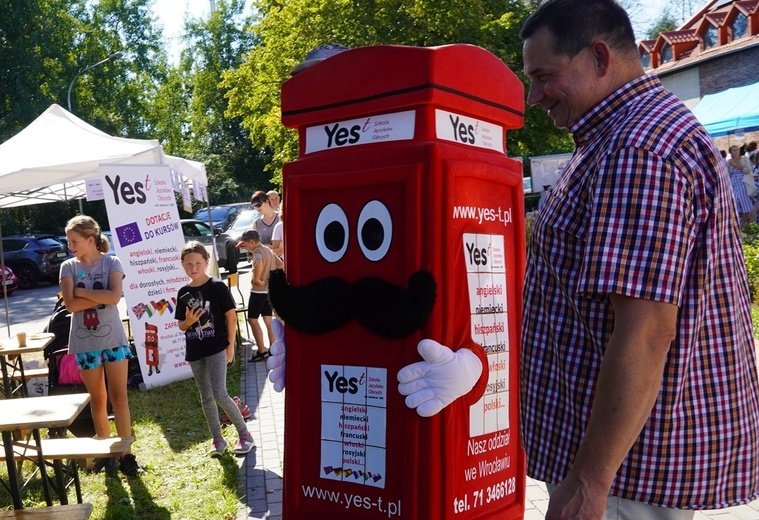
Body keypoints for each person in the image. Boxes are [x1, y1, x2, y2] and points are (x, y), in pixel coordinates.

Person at [520, 1, 759, 519]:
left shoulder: (636, 147)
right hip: (628, 460)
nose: (534, 96)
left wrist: (589, 481)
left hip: (626, 472)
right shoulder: (623, 133)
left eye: (543, 76)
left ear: (599, 57)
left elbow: (646, 331)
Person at [61, 215, 144, 477]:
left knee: (119, 397)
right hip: (84, 343)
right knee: (98, 399)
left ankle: (126, 455)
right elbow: (70, 306)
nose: (70, 245)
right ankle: (107, 454)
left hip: (114, 341)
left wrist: (81, 292)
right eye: (68, 241)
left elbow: (114, 297)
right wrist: (97, 297)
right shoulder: (68, 267)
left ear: (90, 240)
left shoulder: (112, 262)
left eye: (74, 241)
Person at [175, 241, 255, 457]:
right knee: (206, 397)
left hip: (217, 347)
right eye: (188, 264)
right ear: (182, 265)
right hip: (195, 351)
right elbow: (181, 325)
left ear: (206, 262)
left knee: (220, 393)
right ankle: (217, 439)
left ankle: (245, 434)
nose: (193, 268)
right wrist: (189, 321)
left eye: (198, 263)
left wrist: (230, 347)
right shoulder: (183, 292)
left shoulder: (217, 287)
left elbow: (231, 318)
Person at [235, 230, 283, 362]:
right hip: (267, 291)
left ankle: (261, 350)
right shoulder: (268, 250)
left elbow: (258, 263)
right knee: (268, 320)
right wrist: (271, 279)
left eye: (245, 245)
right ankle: (273, 348)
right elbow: (282, 265)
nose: (244, 248)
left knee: (252, 320)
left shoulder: (257, 252)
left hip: (257, 292)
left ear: (252, 242)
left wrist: (257, 279)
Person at [727, 144, 759, 223]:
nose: (736, 152)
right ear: (730, 152)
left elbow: (748, 171)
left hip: (743, 182)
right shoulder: (728, 161)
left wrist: (738, 166)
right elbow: (727, 174)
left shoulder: (744, 159)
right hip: (733, 184)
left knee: (744, 204)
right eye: (734, 150)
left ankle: (746, 224)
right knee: (735, 203)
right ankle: (742, 223)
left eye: (737, 150)